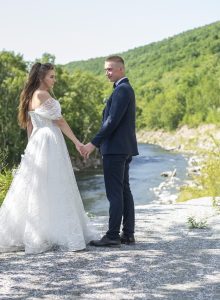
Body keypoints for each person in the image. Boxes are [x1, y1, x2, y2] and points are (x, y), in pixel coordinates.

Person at [0, 62, 97, 254]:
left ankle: (40, 232)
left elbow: (30, 126)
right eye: (51, 76)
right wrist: (78, 142)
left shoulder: (29, 96)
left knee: (38, 186)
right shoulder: (43, 95)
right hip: (50, 139)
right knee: (55, 183)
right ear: (41, 77)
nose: (55, 79)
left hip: (37, 141)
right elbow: (59, 121)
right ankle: (57, 233)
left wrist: (30, 148)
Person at [82, 56, 138, 247]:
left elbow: (111, 121)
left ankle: (113, 235)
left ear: (121, 69)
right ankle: (128, 234)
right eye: (106, 69)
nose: (107, 72)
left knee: (115, 193)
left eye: (111, 69)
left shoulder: (122, 90)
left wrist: (93, 144)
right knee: (123, 190)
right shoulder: (123, 89)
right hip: (123, 148)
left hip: (115, 149)